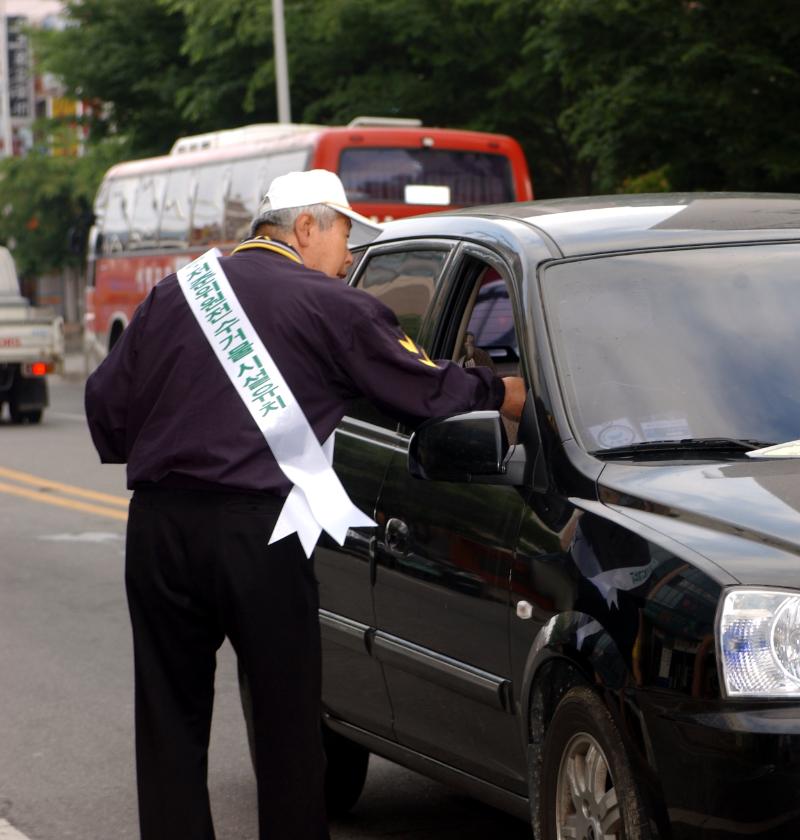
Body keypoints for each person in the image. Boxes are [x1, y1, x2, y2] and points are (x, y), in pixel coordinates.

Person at [85, 169, 525, 840]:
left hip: (158, 528)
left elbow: (104, 407)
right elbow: (423, 390)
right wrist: (505, 395)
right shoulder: (331, 303)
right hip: (257, 530)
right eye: (346, 234)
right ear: (307, 227)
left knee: (169, 722)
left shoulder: (177, 291)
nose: (349, 257)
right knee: (288, 725)